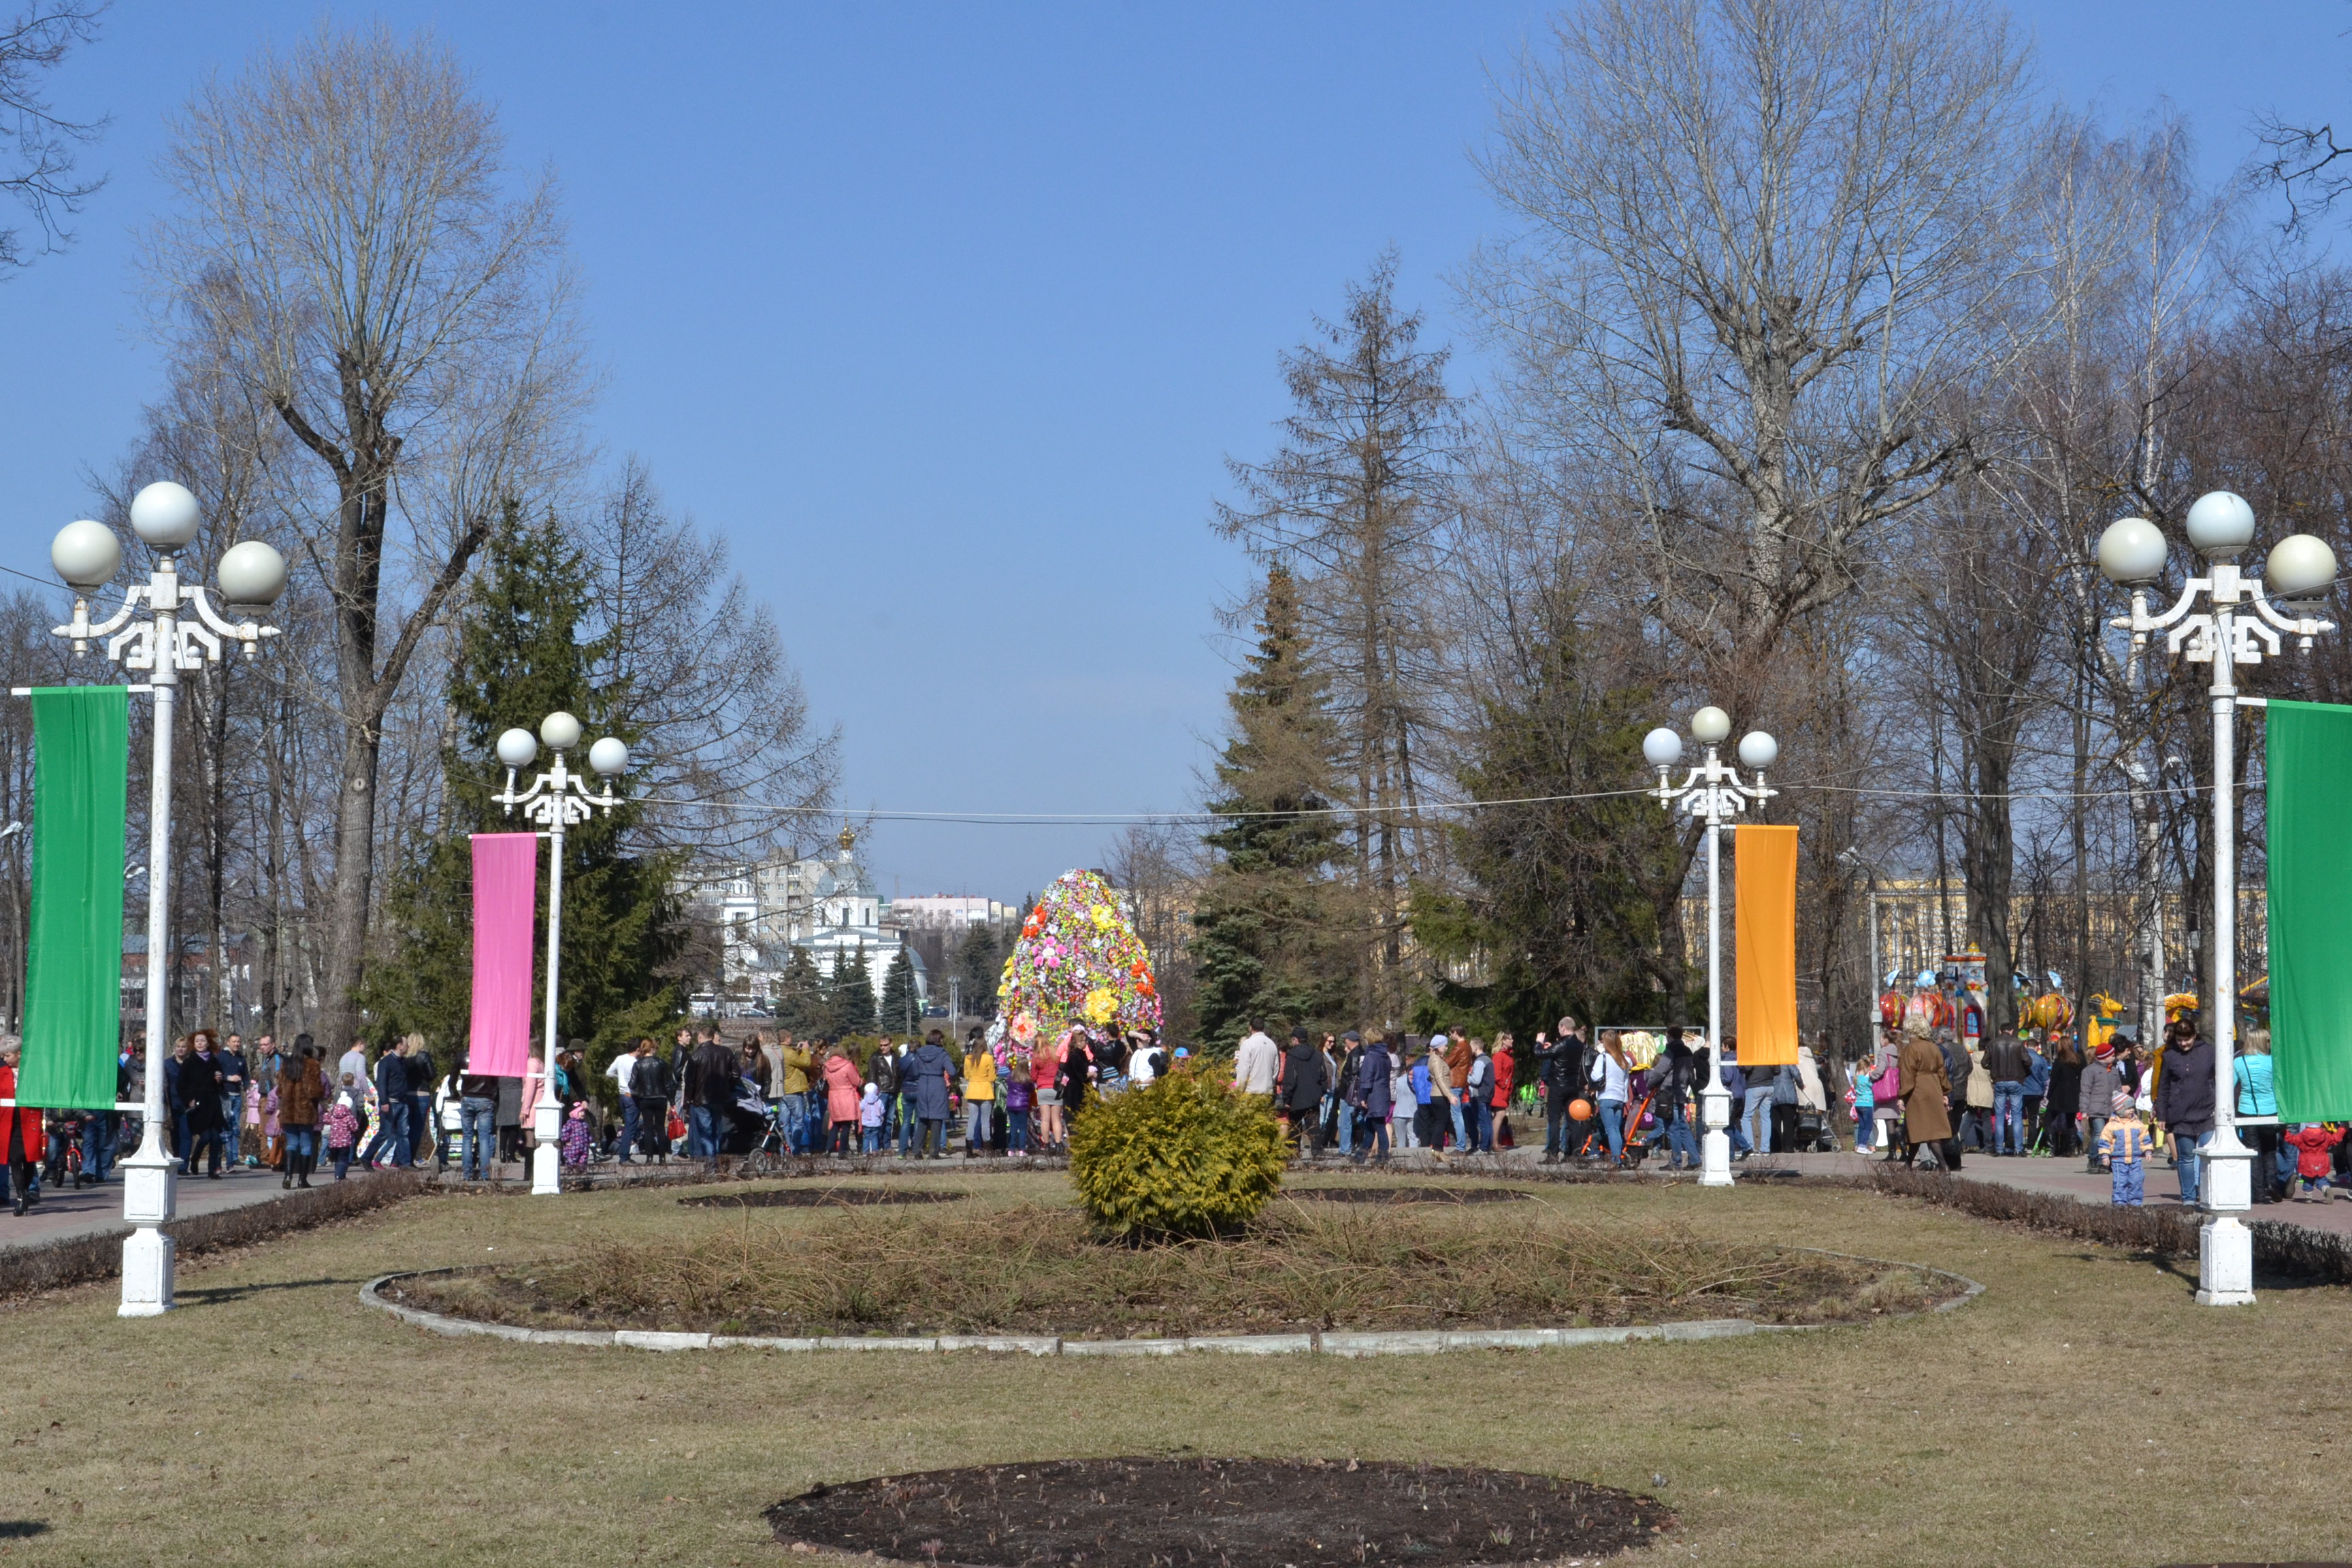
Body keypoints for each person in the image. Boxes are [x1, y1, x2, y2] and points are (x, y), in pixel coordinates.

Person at [2155, 1022, 2215, 1207]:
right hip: (2180, 1115)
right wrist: (2162, 1115)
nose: (2184, 1044)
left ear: (2194, 1036)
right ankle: (2188, 1198)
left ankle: (2206, 1196)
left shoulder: (2209, 1052)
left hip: (2207, 1113)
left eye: (2187, 1040)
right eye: (2180, 1040)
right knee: (2186, 1158)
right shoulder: (2169, 1055)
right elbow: (2163, 1087)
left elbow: (2219, 1078)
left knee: (2207, 1157)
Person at [2234, 1030, 2285, 1204]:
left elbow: (2232, 1085)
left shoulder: (2239, 1062)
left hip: (2247, 1110)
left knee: (2253, 1151)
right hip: (2270, 1110)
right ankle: (2271, 1184)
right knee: (2270, 1150)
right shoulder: (2273, 1062)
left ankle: (2257, 1193)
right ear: (2264, 1042)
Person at [1898, 1024, 1955, 1170]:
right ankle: (1909, 1164)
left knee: (1918, 1128)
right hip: (1934, 1088)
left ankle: (1942, 1165)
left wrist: (1902, 1094)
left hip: (1917, 1090)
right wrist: (1945, 1092)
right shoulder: (1934, 1048)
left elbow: (1907, 1073)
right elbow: (1942, 1072)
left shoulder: (1911, 1049)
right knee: (1930, 1130)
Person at [685, 1027, 739, 1168]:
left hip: (701, 1098)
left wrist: (687, 1100)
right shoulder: (726, 1052)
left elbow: (690, 1080)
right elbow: (736, 1074)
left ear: (701, 1037)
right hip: (721, 1096)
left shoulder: (696, 1055)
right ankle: (716, 1159)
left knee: (706, 1133)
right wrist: (728, 1086)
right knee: (716, 1130)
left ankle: (711, 1163)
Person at [277, 1043, 326, 1190]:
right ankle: (302, 1180)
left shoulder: (287, 1064)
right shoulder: (312, 1065)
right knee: (306, 1144)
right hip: (306, 1109)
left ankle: (288, 1176)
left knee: (291, 1143)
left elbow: (280, 1089)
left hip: (289, 1108)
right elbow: (314, 1090)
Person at [180, 1030, 228, 1178]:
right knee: (206, 1137)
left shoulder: (214, 1061)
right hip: (198, 1106)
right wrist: (189, 1099)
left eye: (203, 1041)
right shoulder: (189, 1062)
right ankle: (194, 1158)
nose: (200, 1043)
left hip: (213, 1104)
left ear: (208, 1043)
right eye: (197, 1041)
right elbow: (181, 1085)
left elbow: (220, 1082)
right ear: (193, 1044)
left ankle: (212, 1170)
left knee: (216, 1138)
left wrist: (219, 1079)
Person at [0, 1040, 39, 1216]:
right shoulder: (2, 1073)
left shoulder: (33, 1073)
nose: (4, 1059)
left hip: (29, 1120)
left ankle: (26, 1191)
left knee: (29, 1159)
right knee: (14, 1159)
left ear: (19, 1054)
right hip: (9, 1122)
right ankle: (21, 1196)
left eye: (7, 1055)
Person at [1535, 1021, 1584, 1164]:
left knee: (1554, 1120)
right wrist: (1553, 1048)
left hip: (1558, 1086)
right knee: (1573, 1120)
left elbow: (1539, 1053)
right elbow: (1562, 1054)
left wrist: (1539, 1042)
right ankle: (1575, 1152)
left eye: (1559, 1028)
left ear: (1563, 1027)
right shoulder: (1579, 1045)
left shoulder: (1561, 1045)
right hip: (1573, 1085)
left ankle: (1552, 1154)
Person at [1276, 1028, 1328, 1158]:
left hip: (1296, 1097)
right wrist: (1322, 1092)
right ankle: (1317, 1151)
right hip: (1313, 1096)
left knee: (1295, 1126)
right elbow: (1323, 1076)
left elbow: (1290, 1080)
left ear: (1295, 1040)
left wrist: (1286, 1099)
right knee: (1314, 1125)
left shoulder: (1292, 1056)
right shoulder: (1317, 1054)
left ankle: (1294, 1152)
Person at [1983, 1030, 2032, 1156]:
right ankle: (2018, 1148)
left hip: (1999, 1081)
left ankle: (1999, 1149)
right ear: (2011, 1031)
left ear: (2000, 1031)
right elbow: (2028, 1061)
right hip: (2016, 1080)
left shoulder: (1993, 1044)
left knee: (1999, 1116)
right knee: (2016, 1115)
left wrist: (1994, 1067)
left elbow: (1984, 1063)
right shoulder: (2018, 1043)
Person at [907, 1030, 956, 1158]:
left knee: (923, 1119)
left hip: (923, 1085)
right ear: (939, 1040)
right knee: (937, 1120)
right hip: (938, 1085)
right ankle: (934, 1152)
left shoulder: (920, 1053)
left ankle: (917, 1151)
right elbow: (952, 1071)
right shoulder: (943, 1054)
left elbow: (915, 1071)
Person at [2100, 1090, 2153, 1205]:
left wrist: (2148, 1151)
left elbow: (2145, 1138)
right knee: (2120, 1183)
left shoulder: (2138, 1124)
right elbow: (2105, 1141)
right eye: (2128, 1108)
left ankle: (2135, 1204)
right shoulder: (2112, 1126)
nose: (2132, 1110)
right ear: (2120, 1110)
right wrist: (2105, 1155)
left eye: (2132, 1108)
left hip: (2136, 1160)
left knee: (2137, 1182)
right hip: (2119, 1161)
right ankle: (2120, 1204)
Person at [2078, 1042, 2123, 1174]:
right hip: (2095, 1109)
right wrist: (2084, 1110)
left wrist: (2121, 1107)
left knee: (2110, 1136)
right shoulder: (2089, 1071)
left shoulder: (2114, 1070)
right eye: (2112, 1055)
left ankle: (2104, 1162)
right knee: (2098, 1134)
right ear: (2104, 1056)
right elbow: (2085, 1091)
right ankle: (2093, 1159)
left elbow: (2118, 1089)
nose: (2114, 1058)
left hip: (2111, 1109)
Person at [627, 1040, 674, 1164]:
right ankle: (662, 1157)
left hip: (645, 1098)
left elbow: (632, 1084)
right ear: (653, 1049)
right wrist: (672, 1101)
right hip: (660, 1098)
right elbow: (668, 1084)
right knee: (660, 1128)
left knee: (648, 1128)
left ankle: (649, 1158)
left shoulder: (638, 1064)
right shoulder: (661, 1063)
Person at [1656, 1030, 1697, 1170]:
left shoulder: (1671, 1051)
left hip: (1669, 1093)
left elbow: (1661, 1070)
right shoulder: (1687, 1051)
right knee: (1683, 1127)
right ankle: (1695, 1159)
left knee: (1672, 1128)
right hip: (1681, 1092)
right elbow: (1691, 1074)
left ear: (1669, 1036)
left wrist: (1650, 1082)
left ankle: (1676, 1161)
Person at [1353, 1032, 1394, 1166]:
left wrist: (1363, 1097)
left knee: (1379, 1126)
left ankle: (1383, 1156)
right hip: (1383, 1094)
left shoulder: (1370, 1057)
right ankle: (1360, 1156)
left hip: (1374, 1095)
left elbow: (1367, 1079)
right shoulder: (1385, 1056)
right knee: (1370, 1128)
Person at [960, 1030, 996, 1158]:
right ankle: (987, 1148)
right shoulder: (988, 1058)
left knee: (972, 1120)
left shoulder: (968, 1059)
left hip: (973, 1090)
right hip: (985, 1091)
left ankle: (969, 1149)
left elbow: (966, 1076)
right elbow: (992, 1077)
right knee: (985, 1121)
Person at [2285, 1122, 2343, 1202]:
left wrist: (2283, 1131)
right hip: (2321, 1161)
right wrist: (2342, 1129)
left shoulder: (2302, 1136)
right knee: (2321, 1179)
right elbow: (2335, 1139)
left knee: (2307, 1179)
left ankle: (2308, 1196)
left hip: (2306, 1161)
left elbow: (2291, 1139)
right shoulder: (2326, 1135)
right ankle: (2325, 1188)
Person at [323, 1075, 363, 1181]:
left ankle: (338, 1175)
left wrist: (329, 1113)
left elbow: (326, 1120)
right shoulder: (349, 1117)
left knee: (337, 1160)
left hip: (333, 1142)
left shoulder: (334, 1116)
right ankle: (340, 1176)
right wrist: (356, 1129)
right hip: (345, 1142)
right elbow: (354, 1127)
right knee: (343, 1159)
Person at [825, 1045, 862, 1157]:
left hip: (833, 1096)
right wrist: (861, 1082)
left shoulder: (827, 1067)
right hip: (846, 1095)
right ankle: (842, 1151)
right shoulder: (847, 1065)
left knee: (836, 1124)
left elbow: (826, 1080)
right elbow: (856, 1081)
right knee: (846, 1125)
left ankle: (828, 1149)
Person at [1232, 1019, 1278, 1097]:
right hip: (1267, 1090)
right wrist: (1271, 1084)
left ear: (1250, 1028)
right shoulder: (1272, 1044)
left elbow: (1244, 1069)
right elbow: (1276, 1068)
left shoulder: (1247, 1044)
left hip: (1251, 1091)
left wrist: (1239, 1090)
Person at [1489, 1032, 1516, 1150]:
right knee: (1500, 1114)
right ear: (1503, 1041)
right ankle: (1494, 1142)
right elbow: (1497, 1075)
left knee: (1499, 1115)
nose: (1512, 1041)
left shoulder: (1507, 1055)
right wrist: (1504, 1085)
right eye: (1510, 1039)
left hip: (1505, 1089)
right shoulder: (1499, 1056)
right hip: (1499, 1090)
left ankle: (1496, 1141)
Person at [1002, 1059, 1034, 1155]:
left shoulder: (1010, 1077)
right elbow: (1031, 1089)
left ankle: (1011, 1149)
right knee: (1023, 1128)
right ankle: (1022, 1149)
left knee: (1013, 1127)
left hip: (1011, 1104)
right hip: (1022, 1105)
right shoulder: (1027, 1079)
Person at [860, 1081, 886, 1154]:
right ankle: (875, 1151)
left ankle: (865, 1151)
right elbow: (883, 1110)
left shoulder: (864, 1101)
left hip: (866, 1123)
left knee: (866, 1138)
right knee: (875, 1137)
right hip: (876, 1123)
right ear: (876, 1092)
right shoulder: (879, 1101)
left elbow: (860, 1108)